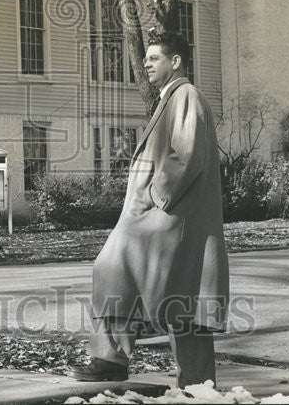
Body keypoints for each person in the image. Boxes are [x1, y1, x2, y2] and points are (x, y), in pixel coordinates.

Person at [70, 31, 229, 387]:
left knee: (126, 272)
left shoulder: (185, 95)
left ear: (176, 62)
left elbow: (186, 155)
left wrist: (156, 193)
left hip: (168, 218)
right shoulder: (170, 98)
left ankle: (123, 362)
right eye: (146, 59)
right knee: (177, 296)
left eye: (154, 58)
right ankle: (126, 361)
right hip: (163, 218)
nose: (146, 63)